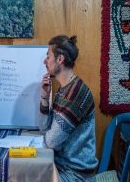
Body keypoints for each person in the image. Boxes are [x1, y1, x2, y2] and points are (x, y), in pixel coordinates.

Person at [39, 35, 98, 182]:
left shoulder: (76, 94)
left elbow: (51, 141)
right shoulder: (63, 89)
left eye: (48, 56)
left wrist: (49, 135)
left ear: (60, 59)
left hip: (76, 174)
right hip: (61, 166)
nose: (44, 61)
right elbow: (43, 128)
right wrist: (45, 98)